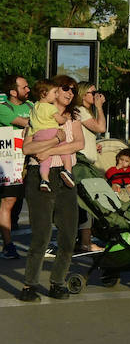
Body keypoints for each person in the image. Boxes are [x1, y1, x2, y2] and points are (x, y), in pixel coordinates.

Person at [14, 79, 84, 302]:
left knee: (68, 235)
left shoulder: (73, 118)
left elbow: (78, 144)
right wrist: (54, 139)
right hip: (39, 178)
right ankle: (30, 285)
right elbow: (27, 148)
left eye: (74, 90)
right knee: (41, 235)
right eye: (65, 88)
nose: (70, 93)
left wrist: (50, 150)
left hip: (65, 179)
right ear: (53, 92)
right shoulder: (36, 115)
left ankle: (58, 282)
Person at [73, 81, 107, 253]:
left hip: (87, 161)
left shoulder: (85, 111)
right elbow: (101, 127)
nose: (96, 96)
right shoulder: (81, 110)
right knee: (88, 203)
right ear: (83, 94)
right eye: (92, 92)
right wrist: (100, 107)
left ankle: (83, 240)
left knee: (85, 204)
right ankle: (85, 242)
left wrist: (94, 145)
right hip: (82, 164)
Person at [1, 73, 32, 260]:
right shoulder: (4, 108)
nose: (28, 90)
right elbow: (26, 123)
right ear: (13, 91)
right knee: (8, 202)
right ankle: (8, 245)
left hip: (29, 161)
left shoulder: (31, 106)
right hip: (10, 162)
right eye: (24, 87)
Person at [28, 78, 76, 191]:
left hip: (38, 136)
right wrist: (66, 119)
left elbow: (31, 121)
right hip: (51, 132)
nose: (56, 95)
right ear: (44, 93)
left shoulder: (35, 107)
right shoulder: (50, 107)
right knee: (65, 151)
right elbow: (59, 120)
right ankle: (68, 171)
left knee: (45, 161)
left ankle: (44, 180)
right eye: (54, 92)